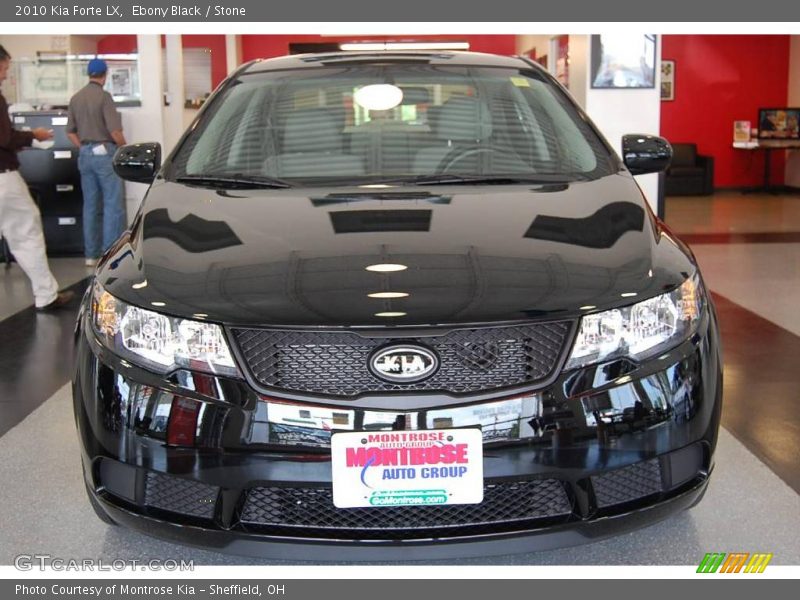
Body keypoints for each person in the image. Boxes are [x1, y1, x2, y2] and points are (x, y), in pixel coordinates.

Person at [0, 45, 74, 310]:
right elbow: (4, 138)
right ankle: (46, 295)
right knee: (26, 232)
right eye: (5, 68)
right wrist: (33, 136)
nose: (6, 75)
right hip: (3, 179)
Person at [66, 58, 127, 267]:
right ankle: (110, 254)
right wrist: (124, 147)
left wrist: (84, 148)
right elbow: (115, 131)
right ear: (105, 75)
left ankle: (91, 255)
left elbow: (70, 132)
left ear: (88, 74)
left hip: (85, 154)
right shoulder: (104, 97)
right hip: (104, 153)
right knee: (112, 204)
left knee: (90, 206)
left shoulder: (76, 98)